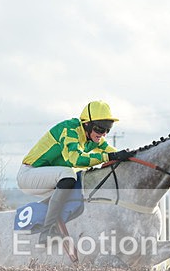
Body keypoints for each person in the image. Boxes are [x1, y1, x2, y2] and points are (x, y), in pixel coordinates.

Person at [18, 100, 135, 245]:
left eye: (107, 129)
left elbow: (112, 152)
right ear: (87, 124)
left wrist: (130, 156)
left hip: (48, 177)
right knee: (69, 173)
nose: (103, 134)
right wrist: (109, 157)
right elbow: (75, 159)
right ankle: (46, 232)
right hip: (29, 174)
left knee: (77, 181)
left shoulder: (92, 137)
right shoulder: (70, 130)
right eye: (100, 129)